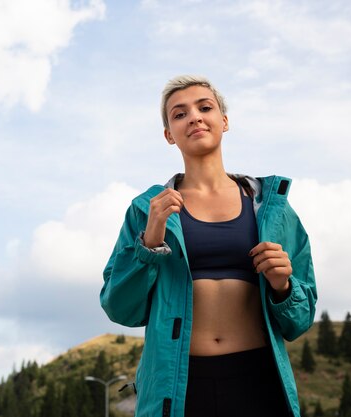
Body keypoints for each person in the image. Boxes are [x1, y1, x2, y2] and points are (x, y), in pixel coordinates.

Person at [100, 75, 317, 417]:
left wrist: (283, 285)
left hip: (257, 378)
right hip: (180, 386)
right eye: (179, 113)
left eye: (205, 107)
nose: (195, 117)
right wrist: (149, 243)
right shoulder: (147, 209)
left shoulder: (273, 209)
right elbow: (120, 308)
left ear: (224, 121)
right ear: (169, 134)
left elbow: (300, 321)